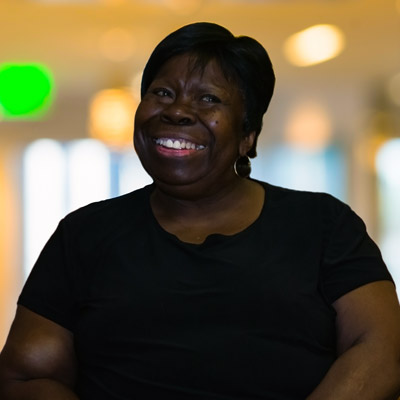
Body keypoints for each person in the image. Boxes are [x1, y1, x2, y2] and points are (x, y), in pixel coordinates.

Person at [1, 22, 400, 400]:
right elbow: (27, 375)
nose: (177, 111)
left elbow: (380, 350)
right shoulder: (84, 235)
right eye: (162, 93)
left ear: (248, 135)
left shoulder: (322, 225)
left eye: (208, 99)